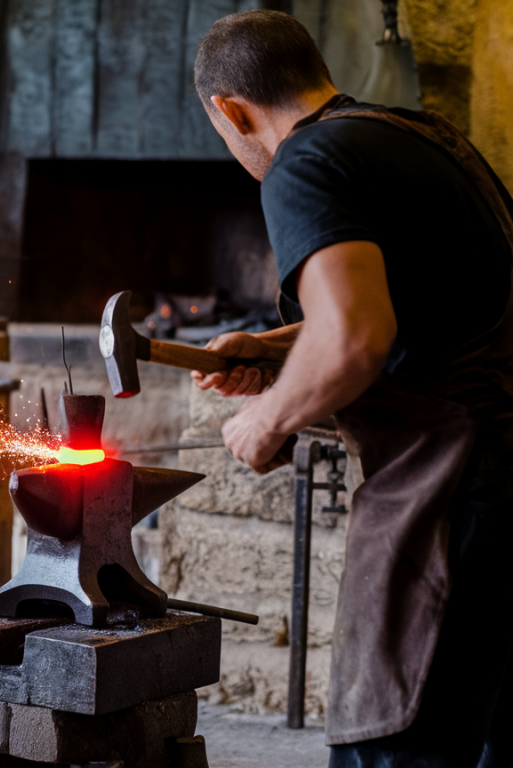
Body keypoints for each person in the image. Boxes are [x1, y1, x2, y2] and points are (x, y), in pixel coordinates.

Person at [190, 9, 512, 768]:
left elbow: (355, 339)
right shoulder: (426, 139)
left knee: (396, 750)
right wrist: (272, 350)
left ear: (229, 110)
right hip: (504, 495)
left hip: (450, 498)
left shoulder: (304, 164)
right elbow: (413, 312)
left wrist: (265, 421)